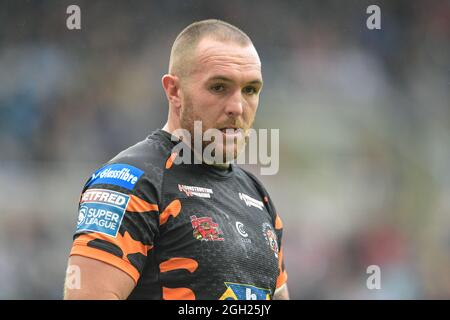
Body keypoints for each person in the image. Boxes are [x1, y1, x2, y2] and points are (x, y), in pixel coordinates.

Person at [64, 19, 289, 300]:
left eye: (250, 90)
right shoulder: (129, 181)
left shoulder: (258, 197)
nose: (237, 107)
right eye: (219, 87)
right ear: (174, 91)